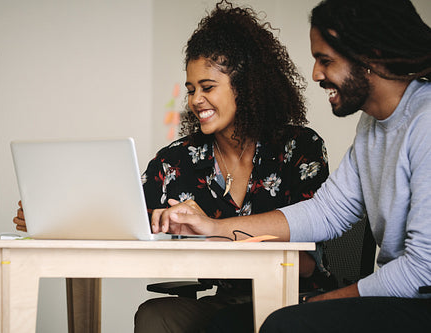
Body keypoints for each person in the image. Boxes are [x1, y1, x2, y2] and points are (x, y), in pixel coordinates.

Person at [153, 0, 431, 332]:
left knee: (282, 326)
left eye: (325, 61)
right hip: (397, 300)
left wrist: (324, 302)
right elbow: (326, 212)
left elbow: (422, 271)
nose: (316, 74)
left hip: (418, 302)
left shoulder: (425, 122)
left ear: (370, 56)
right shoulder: (372, 126)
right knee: (226, 324)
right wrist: (214, 228)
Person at [135, 2, 334, 332]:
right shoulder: (177, 161)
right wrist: (61, 217)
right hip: (225, 303)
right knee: (155, 315)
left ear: (246, 85)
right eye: (191, 90)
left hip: (296, 300)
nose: (196, 100)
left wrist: (215, 232)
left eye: (208, 87)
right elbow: (125, 215)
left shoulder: (300, 149)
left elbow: (305, 264)